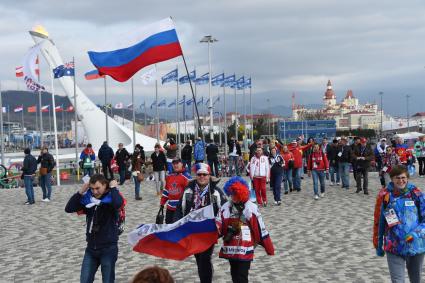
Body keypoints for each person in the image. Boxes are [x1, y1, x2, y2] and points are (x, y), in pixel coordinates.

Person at [65, 175, 124, 283]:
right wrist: (81, 191)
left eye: (97, 188)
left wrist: (114, 188)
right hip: (91, 249)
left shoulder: (110, 199)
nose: (94, 191)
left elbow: (118, 203)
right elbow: (69, 208)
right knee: (84, 280)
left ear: (105, 185)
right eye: (92, 188)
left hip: (108, 248)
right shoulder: (88, 200)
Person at [217, 177, 275, 283]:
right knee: (234, 275)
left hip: (245, 248)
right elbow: (218, 225)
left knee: (242, 276)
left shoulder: (251, 207)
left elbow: (261, 229)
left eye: (235, 193)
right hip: (231, 248)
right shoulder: (225, 207)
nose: (233, 196)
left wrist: (269, 248)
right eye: (231, 193)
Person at [373, 165, 425, 283]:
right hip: (394, 245)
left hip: (416, 245)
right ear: (391, 178)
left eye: (403, 177)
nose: (401, 180)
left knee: (416, 279)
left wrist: (415, 234)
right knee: (397, 280)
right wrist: (378, 242)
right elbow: (380, 221)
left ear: (407, 178)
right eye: (397, 178)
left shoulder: (416, 194)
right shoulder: (385, 195)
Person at [175, 163, 225, 283]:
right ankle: (205, 278)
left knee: (205, 258)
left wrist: (221, 230)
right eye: (199, 174)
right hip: (192, 232)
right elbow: (179, 209)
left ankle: (206, 280)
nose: (202, 177)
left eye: (204, 174)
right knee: (199, 259)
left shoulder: (216, 192)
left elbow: (224, 210)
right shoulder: (188, 191)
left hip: (209, 232)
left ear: (209, 176)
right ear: (196, 176)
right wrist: (175, 225)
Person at [160, 159, 191, 223]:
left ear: (182, 164)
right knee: (168, 225)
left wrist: (188, 207)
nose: (175, 165)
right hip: (170, 207)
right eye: (174, 163)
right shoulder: (169, 177)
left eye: (177, 163)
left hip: (180, 208)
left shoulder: (187, 177)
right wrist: (162, 203)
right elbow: (166, 191)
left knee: (177, 227)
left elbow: (190, 193)